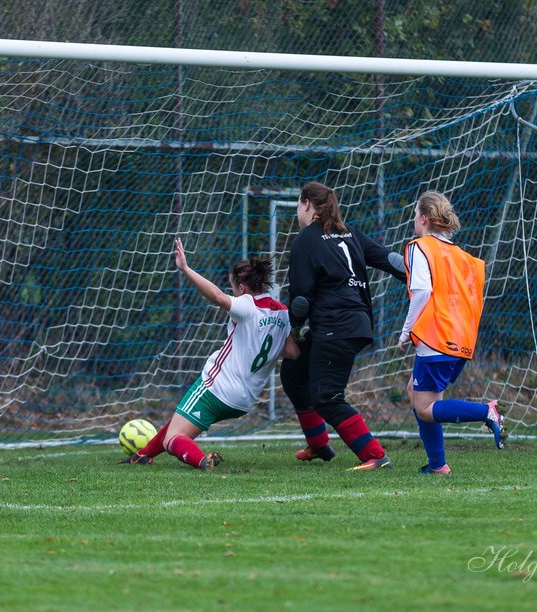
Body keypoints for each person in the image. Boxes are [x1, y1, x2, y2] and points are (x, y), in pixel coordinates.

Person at [123, 237, 298, 470]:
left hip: (218, 386)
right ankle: (143, 454)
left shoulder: (247, 304)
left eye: (233, 287)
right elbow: (293, 352)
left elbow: (216, 297)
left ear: (242, 288)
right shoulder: (282, 313)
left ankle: (202, 461)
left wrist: (185, 268)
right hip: (244, 400)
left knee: (173, 439)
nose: (232, 292)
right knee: (182, 419)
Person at [282, 180, 406, 470]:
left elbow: (300, 300)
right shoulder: (349, 233)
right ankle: (319, 446)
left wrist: (294, 330)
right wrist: (426, 274)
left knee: (326, 396)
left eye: (299, 206)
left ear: (306, 205)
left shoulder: (305, 239)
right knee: (294, 373)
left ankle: (374, 455)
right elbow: (390, 260)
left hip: (334, 326)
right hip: (357, 322)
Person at [397, 191, 505, 475]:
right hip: (460, 340)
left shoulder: (419, 247)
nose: (413, 221)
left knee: (425, 407)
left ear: (423, 219)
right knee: (416, 392)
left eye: (414, 216)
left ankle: (487, 412)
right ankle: (437, 465)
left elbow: (422, 292)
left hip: (435, 338)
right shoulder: (460, 255)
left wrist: (406, 331)